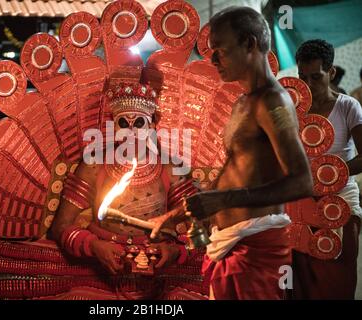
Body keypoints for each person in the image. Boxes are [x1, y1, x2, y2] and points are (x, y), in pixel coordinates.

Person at [150, 7, 314, 300]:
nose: (212, 60)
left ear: (249, 44)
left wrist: (224, 199)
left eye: (220, 50)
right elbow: (236, 171)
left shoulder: (272, 101)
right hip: (230, 245)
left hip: (256, 250)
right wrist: (183, 212)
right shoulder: (244, 101)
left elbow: (302, 181)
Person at [49, 82, 207, 300]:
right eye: (124, 122)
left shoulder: (171, 168)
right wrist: (94, 246)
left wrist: (176, 252)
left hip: (158, 267)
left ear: (152, 125)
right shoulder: (95, 165)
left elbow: (198, 230)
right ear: (114, 125)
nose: (132, 131)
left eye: (139, 122)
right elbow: (61, 226)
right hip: (102, 265)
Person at [289, 39, 362, 299]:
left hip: (339, 202)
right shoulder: (292, 109)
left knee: (336, 282)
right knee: (298, 285)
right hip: (298, 204)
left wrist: (329, 174)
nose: (307, 85)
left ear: (331, 73)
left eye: (315, 77)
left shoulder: (347, 106)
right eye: (302, 77)